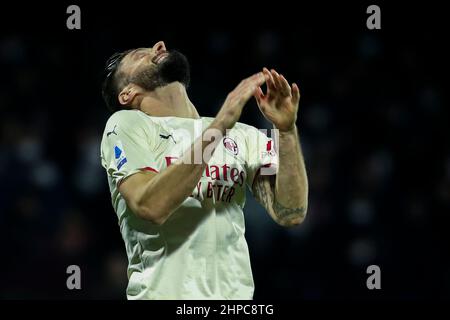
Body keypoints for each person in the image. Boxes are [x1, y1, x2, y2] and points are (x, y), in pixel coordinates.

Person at [100, 41, 308, 299]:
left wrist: (286, 131)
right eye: (139, 54)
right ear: (127, 93)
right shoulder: (127, 124)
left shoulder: (242, 134)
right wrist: (219, 127)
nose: (159, 45)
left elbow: (290, 213)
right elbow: (150, 205)